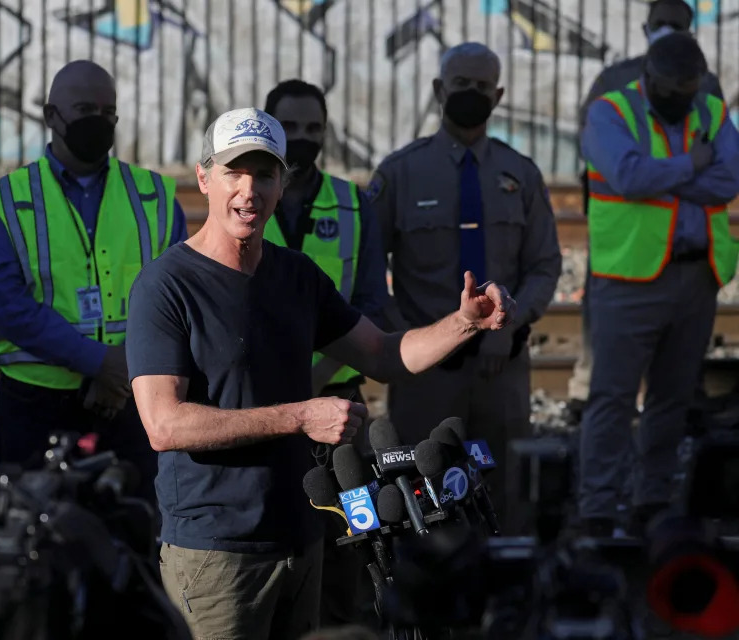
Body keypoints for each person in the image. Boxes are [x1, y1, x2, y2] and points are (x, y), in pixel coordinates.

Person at [126, 106, 517, 640]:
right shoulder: (166, 286)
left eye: (264, 174)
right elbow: (164, 425)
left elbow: (382, 355)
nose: (249, 191)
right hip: (216, 554)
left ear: (282, 182)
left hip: (303, 539)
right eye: (233, 173)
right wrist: (299, 416)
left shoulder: (296, 275)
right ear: (203, 178)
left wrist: (465, 323)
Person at [368, 42, 561, 533]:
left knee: (501, 490)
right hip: (425, 375)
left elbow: (544, 265)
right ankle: (421, 596)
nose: (471, 94)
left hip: (502, 367)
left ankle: (500, 595)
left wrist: (507, 327)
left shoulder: (521, 174)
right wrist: (404, 343)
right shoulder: (400, 173)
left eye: (481, 87)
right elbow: (368, 270)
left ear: (497, 95)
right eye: (461, 85)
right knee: (420, 490)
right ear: (439, 90)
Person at [0, 60, 186, 502]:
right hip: (37, 406)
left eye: (108, 112)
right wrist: (99, 363)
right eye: (85, 108)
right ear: (52, 116)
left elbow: (178, 293)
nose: (100, 120)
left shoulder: (155, 196)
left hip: (132, 400)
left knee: (135, 532)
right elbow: (9, 307)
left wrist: (123, 370)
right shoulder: (7, 201)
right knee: (38, 543)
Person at [579, 32, 739, 537]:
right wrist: (692, 166)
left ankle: (652, 502)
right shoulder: (609, 113)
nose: (682, 99)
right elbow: (626, 177)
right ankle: (598, 509)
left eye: (688, 90)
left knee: (673, 399)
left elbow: (730, 179)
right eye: (673, 90)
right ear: (650, 80)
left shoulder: (710, 110)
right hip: (629, 279)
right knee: (613, 398)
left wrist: (663, 176)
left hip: (697, 276)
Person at [262, 79, 389, 628]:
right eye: (289, 128)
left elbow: (371, 307)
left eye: (314, 128)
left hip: (340, 408)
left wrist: (316, 375)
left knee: (351, 535)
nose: (303, 138)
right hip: (263, 409)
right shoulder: (243, 198)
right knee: (269, 539)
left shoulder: (355, 204)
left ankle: (343, 629)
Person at [566, 0, 724, 423]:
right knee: (604, 340)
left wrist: (653, 176)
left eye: (676, 24)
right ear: (646, 26)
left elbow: (726, 168)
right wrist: (687, 167)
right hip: (628, 235)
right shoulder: (617, 81)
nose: (668, 29)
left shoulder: (704, 81)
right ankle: (585, 386)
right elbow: (613, 167)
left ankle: (592, 390)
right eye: (662, 23)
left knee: (665, 378)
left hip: (686, 244)